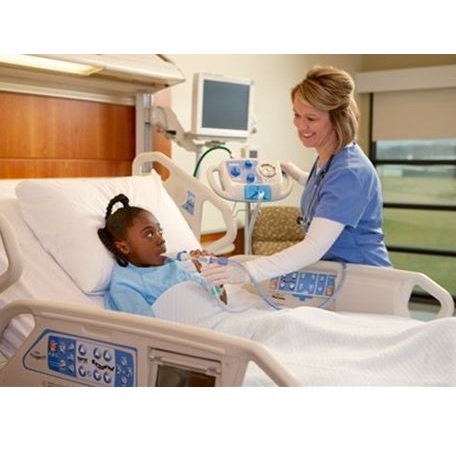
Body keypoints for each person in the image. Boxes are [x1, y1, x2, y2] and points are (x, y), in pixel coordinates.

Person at [201, 64, 392, 287]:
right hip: (341, 275)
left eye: (311, 118)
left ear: (337, 119)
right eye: (297, 115)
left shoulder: (349, 171)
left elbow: (314, 246)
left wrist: (248, 271)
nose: (301, 125)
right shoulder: (332, 159)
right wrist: (298, 174)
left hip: (368, 281)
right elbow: (328, 189)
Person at [97, 193, 226, 317]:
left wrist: (213, 278)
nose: (161, 240)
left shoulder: (172, 266)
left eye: (160, 231)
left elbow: (221, 303)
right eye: (149, 234)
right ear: (123, 247)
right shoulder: (126, 285)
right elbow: (147, 329)